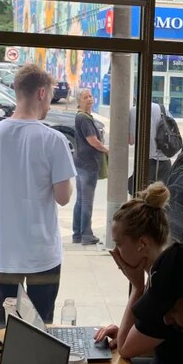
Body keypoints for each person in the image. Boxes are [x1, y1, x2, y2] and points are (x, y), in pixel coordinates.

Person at [0, 64, 76, 327]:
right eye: (50, 96)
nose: (50, 102)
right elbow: (63, 197)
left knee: (5, 325)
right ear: (41, 92)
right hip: (42, 253)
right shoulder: (54, 140)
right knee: (42, 327)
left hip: (4, 252)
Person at [93, 184, 183, 364]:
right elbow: (137, 337)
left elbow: (127, 348)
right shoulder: (163, 268)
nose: (116, 252)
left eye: (119, 243)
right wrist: (124, 331)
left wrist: (136, 286)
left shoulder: (164, 282)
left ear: (142, 244)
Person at [72, 89, 108, 246]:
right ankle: (86, 235)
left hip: (81, 163)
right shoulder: (84, 119)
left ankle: (77, 234)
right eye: (85, 97)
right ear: (79, 102)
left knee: (80, 200)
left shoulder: (82, 117)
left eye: (90, 96)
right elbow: (93, 141)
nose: (89, 99)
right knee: (86, 201)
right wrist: (107, 150)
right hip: (87, 164)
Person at [129, 101, 174, 191]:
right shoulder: (163, 109)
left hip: (144, 161)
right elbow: (173, 130)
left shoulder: (133, 111)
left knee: (141, 193)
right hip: (164, 159)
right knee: (162, 195)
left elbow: (131, 141)